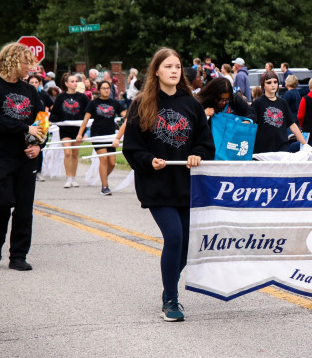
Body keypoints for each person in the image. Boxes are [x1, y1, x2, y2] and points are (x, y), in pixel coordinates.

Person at [122, 47, 214, 322]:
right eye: (168, 66)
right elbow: (132, 147)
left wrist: (198, 153)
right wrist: (149, 160)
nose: (175, 71)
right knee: (173, 237)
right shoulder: (142, 103)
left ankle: (167, 287)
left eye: (178, 66)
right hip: (157, 184)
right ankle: (171, 300)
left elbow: (205, 141)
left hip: (186, 185)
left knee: (186, 245)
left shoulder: (192, 104)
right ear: (156, 71)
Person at [0, 43, 43, 271]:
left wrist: (39, 144)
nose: (30, 67)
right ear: (12, 61)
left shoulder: (30, 91)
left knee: (24, 207)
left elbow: (41, 122)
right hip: (1, 155)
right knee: (2, 202)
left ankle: (18, 255)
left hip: (25, 157)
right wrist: (24, 128)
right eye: (26, 62)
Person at [76, 81, 126, 195]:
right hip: (97, 135)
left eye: (108, 88)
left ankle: (103, 177)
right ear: (99, 90)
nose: (106, 90)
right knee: (103, 160)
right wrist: (80, 134)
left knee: (112, 163)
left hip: (110, 135)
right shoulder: (93, 103)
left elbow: (126, 115)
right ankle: (104, 187)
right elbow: (85, 120)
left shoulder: (115, 103)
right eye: (103, 88)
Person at [252, 71, 309, 153]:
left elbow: (292, 125)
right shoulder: (257, 103)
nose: (273, 85)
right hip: (262, 150)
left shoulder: (283, 103)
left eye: (275, 82)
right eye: (269, 82)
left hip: (282, 148)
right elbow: (249, 125)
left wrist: (305, 145)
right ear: (263, 85)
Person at [50, 72, 89, 188]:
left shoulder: (82, 97)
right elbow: (55, 113)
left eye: (76, 81)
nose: (75, 83)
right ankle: (68, 178)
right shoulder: (61, 97)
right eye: (72, 81)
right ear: (66, 84)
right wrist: (53, 121)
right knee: (67, 152)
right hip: (65, 129)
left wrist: (85, 130)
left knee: (75, 153)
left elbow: (87, 113)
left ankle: (73, 177)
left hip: (78, 130)